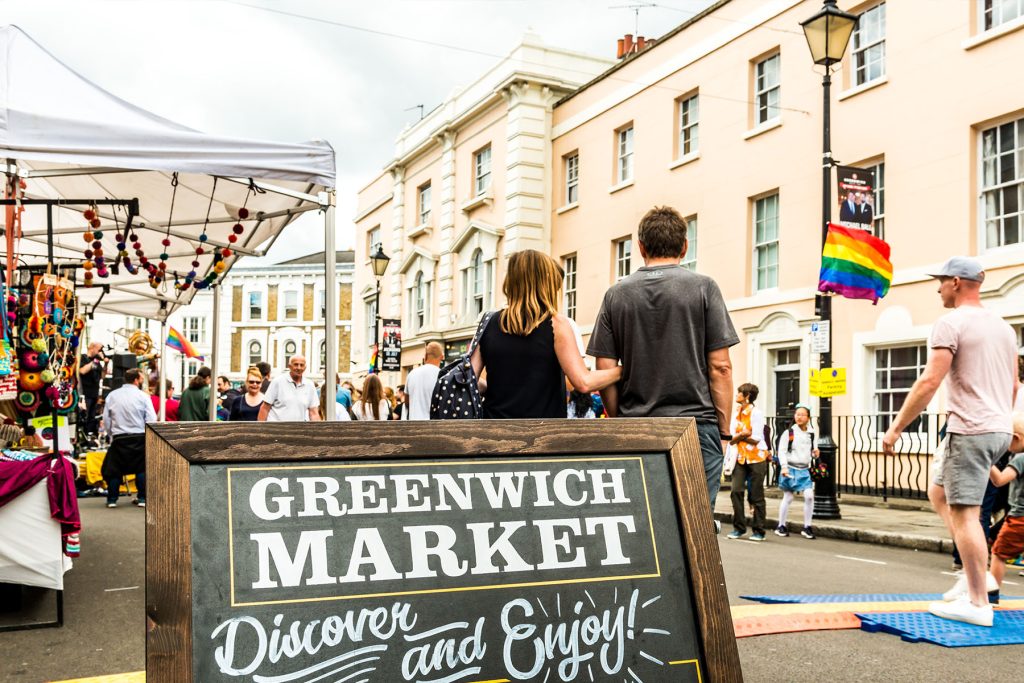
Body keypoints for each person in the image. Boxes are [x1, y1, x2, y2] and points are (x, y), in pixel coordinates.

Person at [883, 257, 1017, 627]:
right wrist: (996, 432)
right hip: (997, 428)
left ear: (957, 282)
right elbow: (1013, 387)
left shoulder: (951, 322)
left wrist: (895, 429)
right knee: (939, 493)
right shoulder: (1004, 329)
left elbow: (929, 382)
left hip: (970, 428)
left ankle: (977, 601)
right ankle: (976, 577)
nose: (937, 287)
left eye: (941, 281)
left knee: (966, 512)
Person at [587, 206, 738, 513]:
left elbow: (604, 368)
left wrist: (620, 422)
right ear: (684, 246)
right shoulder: (704, 288)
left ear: (640, 247)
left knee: (644, 523)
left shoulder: (616, 295)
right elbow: (720, 367)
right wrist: (723, 433)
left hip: (637, 427)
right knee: (694, 525)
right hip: (696, 426)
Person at [471, 250, 621, 419]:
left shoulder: (489, 323)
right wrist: (622, 371)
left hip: (493, 431)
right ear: (544, 283)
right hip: (542, 435)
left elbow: (470, 379)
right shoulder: (556, 325)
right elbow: (583, 382)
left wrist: (493, 389)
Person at [101, 368, 157, 508]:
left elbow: (106, 419)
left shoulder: (112, 395)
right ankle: (143, 498)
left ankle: (112, 499)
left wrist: (111, 434)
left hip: (119, 438)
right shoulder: (143, 396)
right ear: (136, 380)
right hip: (139, 436)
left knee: (114, 469)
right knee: (141, 468)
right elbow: (151, 418)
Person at [986, 412, 1024, 594]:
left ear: (1016, 438)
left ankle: (991, 595)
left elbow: (1000, 480)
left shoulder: (1020, 459)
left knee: (998, 553)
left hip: (1019, 519)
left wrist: (987, 462)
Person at [726, 384, 769, 541]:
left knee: (756, 495)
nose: (737, 394)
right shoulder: (736, 413)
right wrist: (742, 435)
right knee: (736, 491)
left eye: (739, 392)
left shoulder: (756, 413)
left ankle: (759, 530)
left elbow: (757, 438)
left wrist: (740, 436)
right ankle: (739, 528)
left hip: (756, 458)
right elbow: (732, 439)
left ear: (747, 396)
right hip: (740, 458)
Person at [775, 404, 819, 539]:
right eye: (797, 414)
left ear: (808, 417)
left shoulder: (811, 434)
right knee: (788, 497)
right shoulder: (788, 433)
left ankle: (807, 527)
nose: (799, 417)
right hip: (790, 468)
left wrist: (815, 453)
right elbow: (781, 451)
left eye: (802, 415)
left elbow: (813, 451)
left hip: (804, 470)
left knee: (809, 496)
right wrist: (783, 467)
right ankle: (781, 525)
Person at [258, 355, 320, 422]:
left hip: (298, 429)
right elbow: (265, 408)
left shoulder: (310, 385)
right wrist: (261, 429)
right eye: (296, 364)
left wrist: (317, 430)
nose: (299, 368)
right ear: (289, 366)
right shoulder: (277, 382)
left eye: (301, 365)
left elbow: (314, 413)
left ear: (305, 367)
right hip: (276, 428)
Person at [404, 342, 444, 420]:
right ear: (442, 357)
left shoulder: (412, 374)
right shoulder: (443, 376)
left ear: (425, 356)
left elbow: (407, 402)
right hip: (434, 426)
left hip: (414, 424)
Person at [78, 341, 107, 434]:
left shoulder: (97, 362)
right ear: (92, 348)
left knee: (92, 417)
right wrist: (94, 361)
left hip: (94, 393)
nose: (100, 352)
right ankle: (83, 435)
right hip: (85, 393)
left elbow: (102, 376)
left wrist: (105, 364)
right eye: (99, 350)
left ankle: (90, 436)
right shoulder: (83, 358)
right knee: (84, 417)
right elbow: (82, 371)